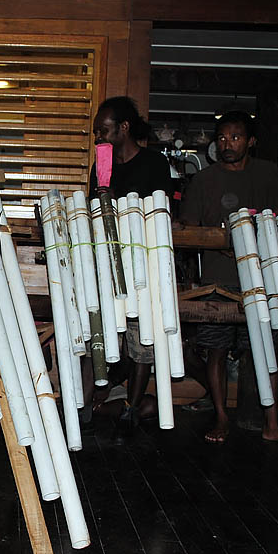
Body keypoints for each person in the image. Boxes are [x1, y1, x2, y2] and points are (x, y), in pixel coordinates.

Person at [179, 110, 278, 447]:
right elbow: (188, 230)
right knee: (215, 350)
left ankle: (272, 423)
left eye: (234, 137)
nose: (226, 144)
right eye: (221, 138)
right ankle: (220, 416)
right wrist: (217, 242)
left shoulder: (268, 174)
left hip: (263, 280)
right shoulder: (204, 180)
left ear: (250, 141)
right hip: (219, 280)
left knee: (266, 351)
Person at [89, 96, 173, 441]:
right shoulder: (101, 165)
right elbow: (94, 209)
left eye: (105, 130)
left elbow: (163, 213)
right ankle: (99, 399)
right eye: (97, 131)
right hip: (108, 261)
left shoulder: (154, 163)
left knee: (143, 338)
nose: (100, 136)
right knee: (107, 334)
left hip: (144, 263)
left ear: (124, 127)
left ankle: (132, 408)